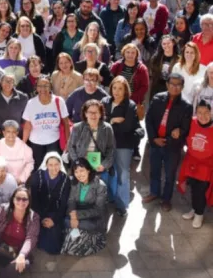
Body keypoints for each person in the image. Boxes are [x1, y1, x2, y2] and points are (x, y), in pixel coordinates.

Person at [143, 73, 192, 212]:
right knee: (155, 170)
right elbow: (149, 120)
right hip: (155, 142)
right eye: (172, 84)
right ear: (167, 84)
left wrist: (169, 139)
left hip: (173, 147)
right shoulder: (158, 98)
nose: (174, 87)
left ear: (182, 87)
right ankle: (154, 192)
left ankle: (166, 199)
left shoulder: (186, 106)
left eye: (178, 85)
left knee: (170, 174)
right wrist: (153, 139)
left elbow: (185, 129)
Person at [0, 187, 39, 278]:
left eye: (24, 199)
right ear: (13, 199)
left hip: (16, 255)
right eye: (18, 198)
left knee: (25, 264)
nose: (21, 202)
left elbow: (31, 238)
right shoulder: (3, 209)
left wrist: (22, 255)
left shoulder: (33, 217)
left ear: (29, 201)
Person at [102, 76, 140, 216]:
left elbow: (127, 127)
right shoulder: (105, 102)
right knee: (108, 173)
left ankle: (122, 204)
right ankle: (110, 198)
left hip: (123, 144)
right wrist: (112, 120)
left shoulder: (130, 105)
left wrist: (109, 124)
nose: (116, 91)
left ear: (125, 91)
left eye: (120, 89)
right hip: (106, 144)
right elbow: (101, 123)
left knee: (123, 174)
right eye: (114, 88)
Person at [176, 101, 213, 228]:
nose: (203, 116)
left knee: (201, 190)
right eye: (200, 113)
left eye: (206, 112)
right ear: (196, 113)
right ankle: (194, 208)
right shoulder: (191, 122)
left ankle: (199, 214)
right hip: (191, 162)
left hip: (206, 166)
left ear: (211, 112)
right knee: (192, 187)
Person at [60, 158, 108, 256]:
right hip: (76, 217)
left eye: (82, 170)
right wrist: (73, 216)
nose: (79, 174)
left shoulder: (100, 186)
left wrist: (76, 216)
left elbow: (98, 210)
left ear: (88, 170)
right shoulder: (74, 182)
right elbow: (71, 200)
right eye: (76, 171)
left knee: (73, 229)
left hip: (93, 219)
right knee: (64, 225)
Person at [66, 99, 115, 190]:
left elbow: (110, 150)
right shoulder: (77, 127)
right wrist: (78, 163)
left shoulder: (107, 128)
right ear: (85, 113)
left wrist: (104, 165)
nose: (93, 115)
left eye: (96, 112)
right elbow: (71, 147)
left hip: (98, 165)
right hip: (81, 164)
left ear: (100, 114)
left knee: (97, 191)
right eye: (90, 112)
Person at [22, 75, 70, 168]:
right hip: (36, 143)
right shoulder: (31, 103)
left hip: (54, 141)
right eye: (40, 86)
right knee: (38, 168)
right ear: (36, 87)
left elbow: (66, 124)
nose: (43, 89)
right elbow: (27, 125)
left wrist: (68, 143)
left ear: (50, 86)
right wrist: (23, 143)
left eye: (46, 85)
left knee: (53, 168)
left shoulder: (59, 101)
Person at [0, 74, 28, 148]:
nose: (8, 83)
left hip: (15, 135)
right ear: (0, 82)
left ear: (14, 84)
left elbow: (26, 116)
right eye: (5, 81)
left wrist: (21, 129)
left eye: (10, 81)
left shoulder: (23, 98)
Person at [0, 120, 35, 184]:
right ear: (4, 133)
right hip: (0, 182)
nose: (11, 134)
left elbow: (30, 163)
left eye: (14, 132)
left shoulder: (25, 148)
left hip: (19, 182)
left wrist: (21, 179)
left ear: (17, 133)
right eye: (8, 132)